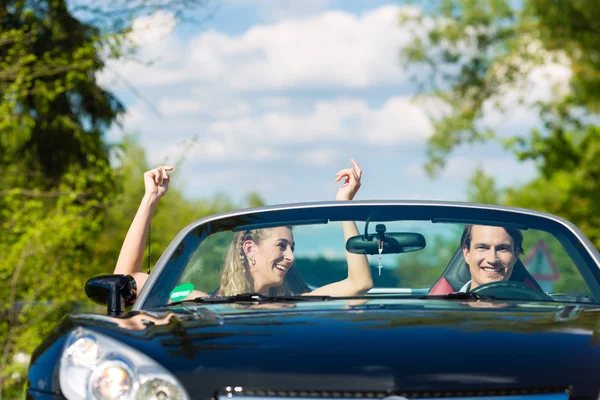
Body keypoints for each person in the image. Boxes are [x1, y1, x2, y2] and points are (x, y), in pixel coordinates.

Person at [113, 160, 372, 298]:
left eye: (292, 248)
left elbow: (360, 282)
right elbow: (125, 279)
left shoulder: (298, 303)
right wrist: (150, 199)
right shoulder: (202, 303)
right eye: (281, 246)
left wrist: (344, 206)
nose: (291, 257)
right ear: (250, 249)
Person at [457, 224, 524, 292]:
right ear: (467, 253)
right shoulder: (448, 302)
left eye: (502, 249)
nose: (492, 260)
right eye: (482, 247)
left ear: (515, 255)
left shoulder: (533, 302)